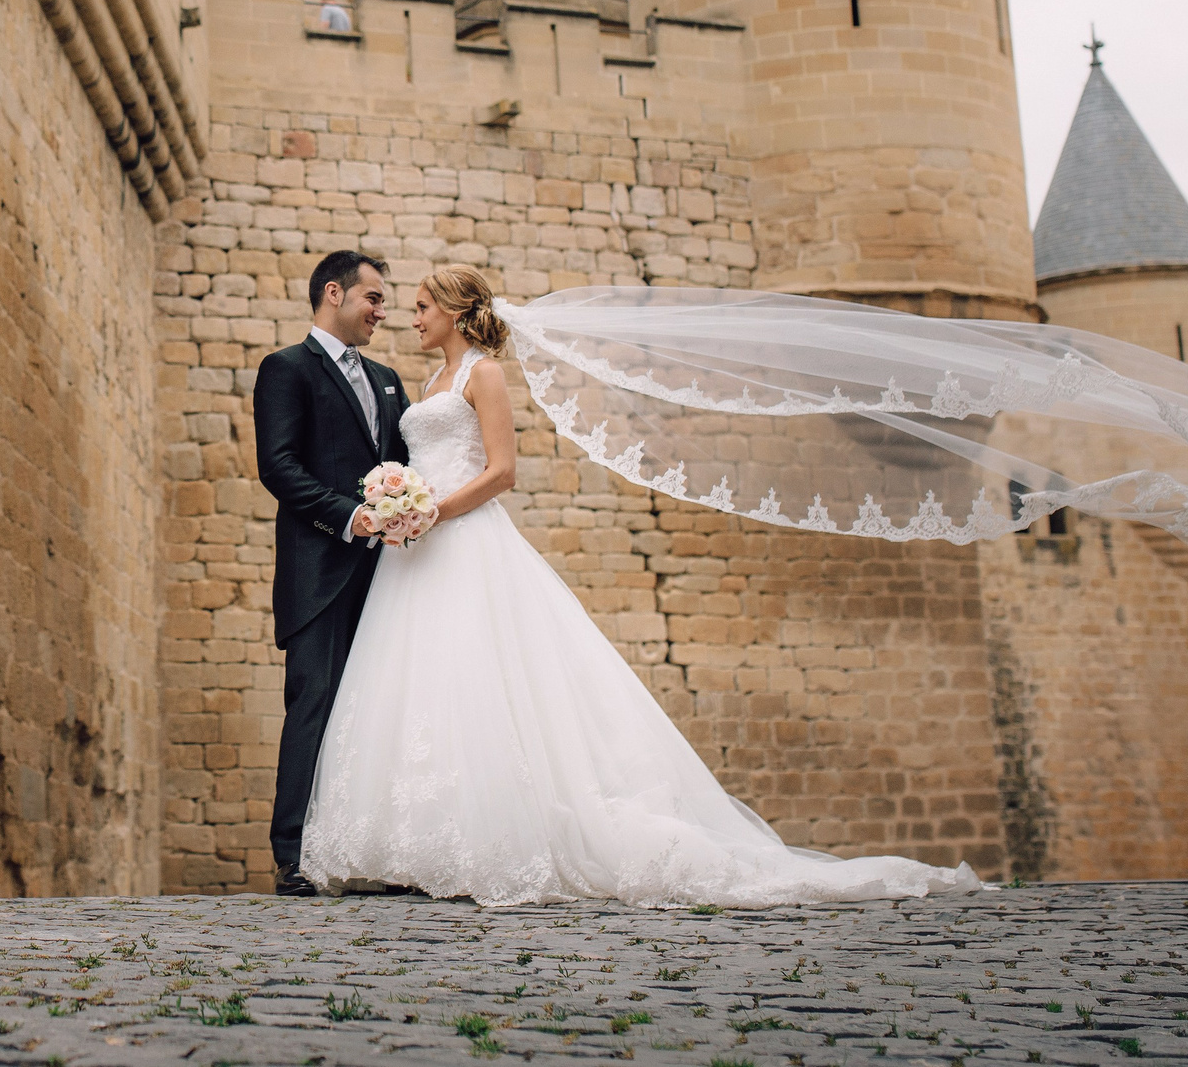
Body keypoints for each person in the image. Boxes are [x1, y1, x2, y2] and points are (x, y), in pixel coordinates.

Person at [299, 263, 984, 907]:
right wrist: (402, 507)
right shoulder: (424, 387)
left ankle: (498, 840)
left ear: (453, 310)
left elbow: (503, 470)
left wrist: (433, 510)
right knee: (425, 682)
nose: (411, 318)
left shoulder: (486, 376)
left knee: (483, 677)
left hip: (462, 537)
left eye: (421, 306)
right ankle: (420, 846)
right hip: (414, 552)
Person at [250, 250, 409, 898]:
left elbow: (399, 462)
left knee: (381, 708)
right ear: (333, 293)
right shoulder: (287, 369)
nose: (381, 311)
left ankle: (374, 847)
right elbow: (279, 467)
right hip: (319, 566)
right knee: (312, 703)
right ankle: (293, 855)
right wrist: (351, 518)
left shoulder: (389, 379)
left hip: (390, 576)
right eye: (373, 298)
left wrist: (409, 508)